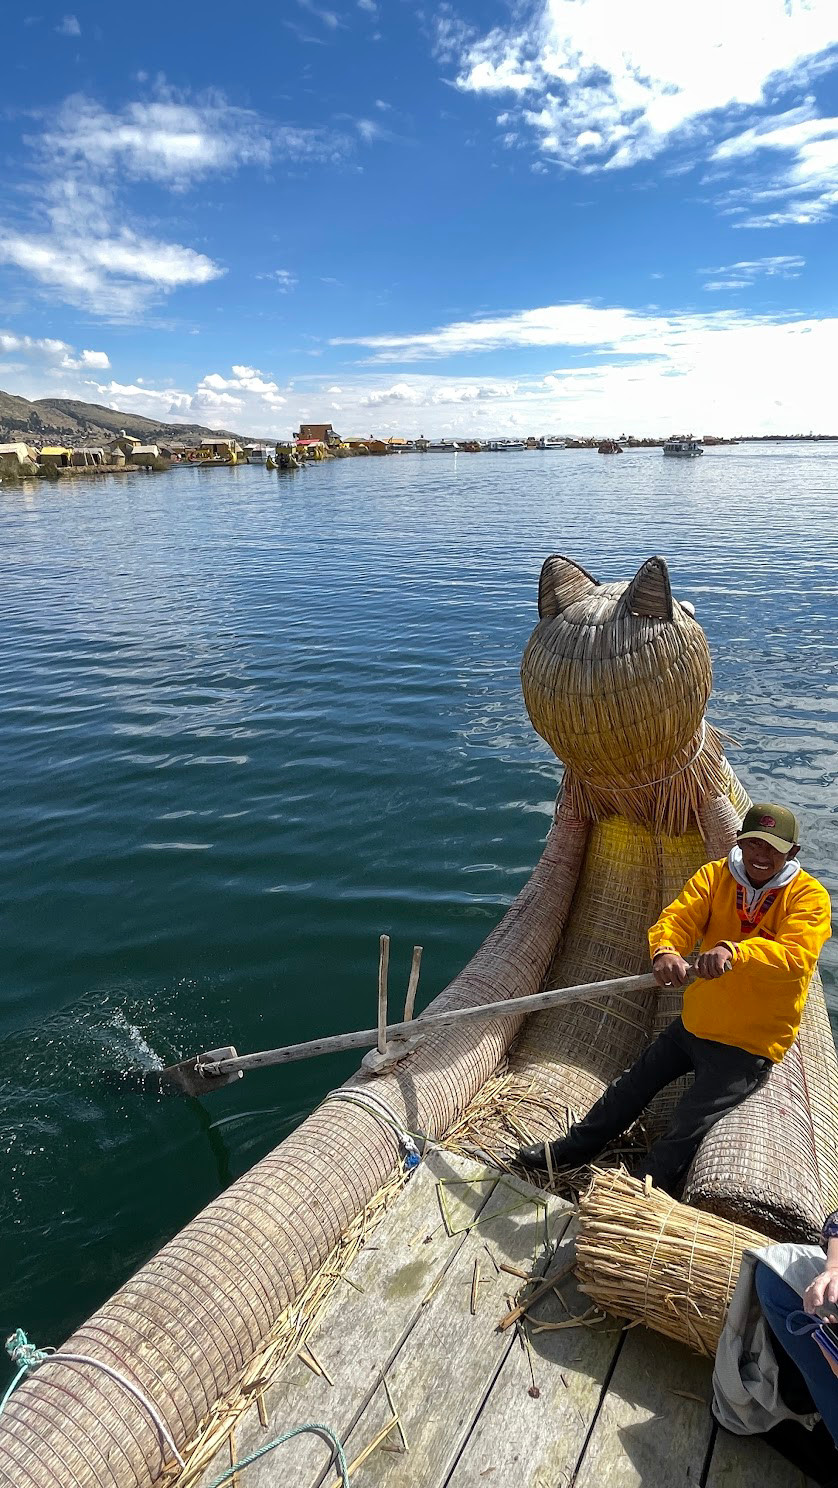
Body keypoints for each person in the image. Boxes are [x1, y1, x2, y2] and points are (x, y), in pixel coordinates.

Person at [518, 803, 832, 1193]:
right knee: (630, 1087)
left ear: (792, 853)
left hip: (749, 1042)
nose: (761, 855)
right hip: (697, 1021)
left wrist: (736, 952)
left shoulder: (808, 897)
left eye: (772, 848)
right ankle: (570, 1152)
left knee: (688, 1122)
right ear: (740, 842)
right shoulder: (716, 876)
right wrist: (666, 950)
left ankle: (638, 1191)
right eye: (753, 844)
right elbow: (680, 918)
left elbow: (795, 958)